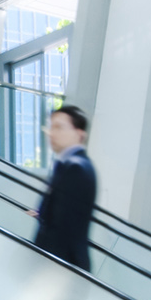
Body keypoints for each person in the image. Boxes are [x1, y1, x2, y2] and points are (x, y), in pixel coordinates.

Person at [32, 105, 96, 270]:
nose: (52, 133)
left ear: (79, 133)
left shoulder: (76, 169)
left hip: (62, 266)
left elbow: (64, 227)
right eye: (51, 127)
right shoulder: (70, 165)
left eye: (59, 127)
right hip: (62, 265)